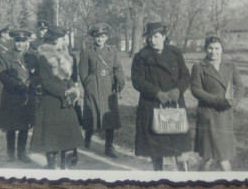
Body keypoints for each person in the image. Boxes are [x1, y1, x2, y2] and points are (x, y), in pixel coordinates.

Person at [131, 22, 192, 171]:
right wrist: (157, 93)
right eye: (150, 37)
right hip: (152, 104)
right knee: (155, 147)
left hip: (174, 103)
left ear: (164, 37)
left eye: (156, 36)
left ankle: (185, 177)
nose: (153, 40)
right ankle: (158, 176)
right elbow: (137, 80)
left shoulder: (175, 53)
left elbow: (185, 75)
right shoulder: (141, 56)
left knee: (179, 146)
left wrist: (178, 90)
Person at [30, 26, 84, 169]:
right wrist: (65, 92)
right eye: (62, 39)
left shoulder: (65, 55)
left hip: (65, 102)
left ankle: (64, 165)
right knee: (51, 139)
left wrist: (73, 87)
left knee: (66, 136)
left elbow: (68, 77)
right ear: (54, 40)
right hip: (51, 103)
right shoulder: (43, 57)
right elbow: (47, 82)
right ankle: (52, 167)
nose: (64, 41)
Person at [191, 35, 244, 171]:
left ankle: (198, 179)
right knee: (214, 156)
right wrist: (217, 101)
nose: (213, 52)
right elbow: (196, 90)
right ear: (205, 49)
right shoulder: (199, 67)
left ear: (222, 49)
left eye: (217, 48)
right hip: (208, 115)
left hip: (224, 115)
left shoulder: (230, 66)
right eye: (210, 48)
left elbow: (240, 86)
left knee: (218, 156)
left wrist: (234, 101)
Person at [78, 22, 125, 158]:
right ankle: (87, 139)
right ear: (94, 37)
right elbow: (83, 73)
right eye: (97, 36)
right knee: (91, 115)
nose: (100, 39)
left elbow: (118, 68)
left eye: (103, 36)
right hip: (92, 88)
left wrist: (120, 83)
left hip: (108, 89)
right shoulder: (87, 51)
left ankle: (108, 147)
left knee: (109, 118)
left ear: (106, 37)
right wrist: (88, 85)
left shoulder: (112, 51)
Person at [0, 29, 37, 163]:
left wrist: (30, 82)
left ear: (27, 42)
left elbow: (37, 75)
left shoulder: (32, 57)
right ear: (14, 41)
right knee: (11, 126)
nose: (20, 44)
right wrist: (17, 84)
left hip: (26, 96)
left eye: (23, 41)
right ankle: (10, 153)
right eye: (17, 41)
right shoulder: (6, 56)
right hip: (11, 95)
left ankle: (22, 152)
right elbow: (2, 75)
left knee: (24, 126)